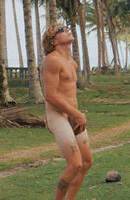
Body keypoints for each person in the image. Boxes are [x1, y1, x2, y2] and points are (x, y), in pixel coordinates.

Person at [41, 24, 92, 200]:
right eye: (61, 29)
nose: (66, 29)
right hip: (58, 115)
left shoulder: (71, 62)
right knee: (75, 164)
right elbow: (50, 95)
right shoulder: (51, 60)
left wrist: (75, 113)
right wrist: (76, 114)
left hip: (72, 114)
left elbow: (67, 91)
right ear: (53, 41)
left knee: (86, 162)